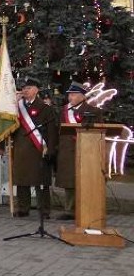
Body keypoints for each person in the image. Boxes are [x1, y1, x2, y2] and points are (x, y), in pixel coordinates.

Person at [55, 82, 103, 220]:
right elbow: (57, 130)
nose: (70, 97)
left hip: (88, 151)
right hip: (67, 151)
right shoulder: (63, 110)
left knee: (86, 180)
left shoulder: (94, 111)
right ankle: (69, 210)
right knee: (69, 181)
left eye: (74, 94)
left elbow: (100, 131)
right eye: (69, 94)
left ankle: (88, 208)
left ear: (82, 96)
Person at [12, 76, 58, 218]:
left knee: (41, 181)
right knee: (22, 180)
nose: (25, 90)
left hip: (39, 149)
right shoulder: (17, 107)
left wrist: (51, 149)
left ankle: (44, 210)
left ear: (36, 90)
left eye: (29, 88)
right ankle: (23, 208)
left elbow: (51, 131)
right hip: (21, 148)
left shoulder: (45, 108)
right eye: (24, 88)